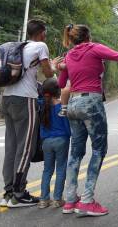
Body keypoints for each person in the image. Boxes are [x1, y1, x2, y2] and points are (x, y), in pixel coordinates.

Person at [58, 24, 118, 217]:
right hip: (91, 102)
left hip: (73, 104)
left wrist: (60, 67)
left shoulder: (69, 55)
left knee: (75, 153)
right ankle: (87, 200)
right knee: (98, 150)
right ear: (88, 36)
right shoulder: (94, 48)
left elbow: (62, 84)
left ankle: (70, 200)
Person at [1, 19, 55, 208]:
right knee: (26, 148)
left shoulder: (17, 47)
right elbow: (49, 73)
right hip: (25, 100)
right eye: (45, 32)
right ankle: (18, 193)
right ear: (41, 33)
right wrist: (55, 65)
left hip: (7, 98)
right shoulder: (41, 46)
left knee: (12, 147)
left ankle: (8, 193)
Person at [38, 78, 71, 209]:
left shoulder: (41, 105)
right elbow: (67, 126)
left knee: (47, 170)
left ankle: (43, 200)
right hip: (61, 140)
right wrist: (70, 136)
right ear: (58, 91)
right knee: (61, 169)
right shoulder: (61, 106)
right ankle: (57, 199)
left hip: (46, 142)